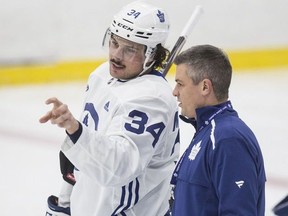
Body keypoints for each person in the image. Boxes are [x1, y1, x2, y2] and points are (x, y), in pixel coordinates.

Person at [39, 1, 180, 216]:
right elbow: (85, 151)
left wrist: (75, 130)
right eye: (114, 42)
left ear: (152, 54)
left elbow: (118, 167)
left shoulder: (152, 100)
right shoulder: (103, 74)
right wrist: (65, 202)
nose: (116, 55)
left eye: (129, 49)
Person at [170, 44, 266, 215]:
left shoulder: (228, 139)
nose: (175, 92)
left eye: (180, 84)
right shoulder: (208, 133)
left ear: (205, 87)